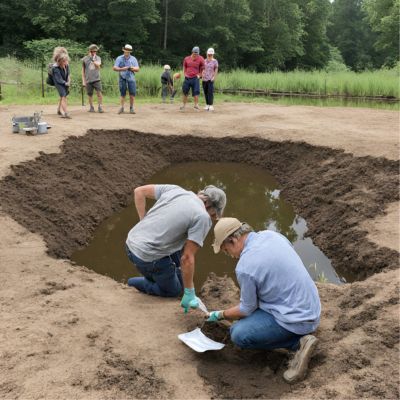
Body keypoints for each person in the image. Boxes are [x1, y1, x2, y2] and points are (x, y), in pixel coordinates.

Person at [208, 217, 321, 384]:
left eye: (226, 250)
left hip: (297, 319)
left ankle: (297, 344)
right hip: (312, 308)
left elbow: (246, 309)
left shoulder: (245, 266)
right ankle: (298, 335)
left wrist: (219, 315)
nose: (230, 255)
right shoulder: (272, 235)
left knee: (238, 333)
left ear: (233, 240)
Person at [125, 184, 226, 312]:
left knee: (182, 254)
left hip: (131, 243)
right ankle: (134, 283)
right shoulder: (202, 217)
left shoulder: (175, 190)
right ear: (209, 206)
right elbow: (187, 258)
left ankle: (166, 274)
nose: (212, 218)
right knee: (174, 290)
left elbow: (139, 191)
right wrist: (190, 292)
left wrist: (143, 221)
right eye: (214, 215)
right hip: (147, 255)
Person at [113, 44, 139, 114]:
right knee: (122, 93)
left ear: (130, 52)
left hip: (131, 77)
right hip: (122, 77)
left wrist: (132, 68)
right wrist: (122, 69)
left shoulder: (133, 59)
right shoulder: (119, 58)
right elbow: (114, 68)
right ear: (124, 50)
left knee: (132, 94)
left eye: (128, 51)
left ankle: (131, 108)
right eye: (125, 51)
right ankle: (121, 108)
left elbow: (137, 69)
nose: (126, 52)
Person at [180, 46, 205, 111]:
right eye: (195, 53)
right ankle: (183, 105)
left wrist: (200, 75)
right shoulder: (186, 58)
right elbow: (184, 66)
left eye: (197, 53)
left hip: (195, 78)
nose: (196, 54)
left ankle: (196, 106)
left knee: (196, 92)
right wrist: (184, 73)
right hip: (187, 78)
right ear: (192, 52)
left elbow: (203, 67)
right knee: (185, 92)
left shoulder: (201, 58)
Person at [82, 44, 104, 113]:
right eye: (92, 51)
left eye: (95, 51)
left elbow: (98, 65)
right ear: (89, 51)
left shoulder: (98, 58)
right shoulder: (85, 59)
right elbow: (83, 71)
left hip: (97, 79)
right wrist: (83, 81)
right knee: (89, 94)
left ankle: (100, 106)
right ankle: (91, 107)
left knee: (99, 93)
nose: (94, 53)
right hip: (88, 79)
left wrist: (93, 60)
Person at [52, 47, 71, 119]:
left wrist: (69, 81)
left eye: (66, 60)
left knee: (63, 96)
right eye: (64, 61)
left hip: (65, 82)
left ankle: (59, 110)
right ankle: (65, 113)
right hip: (59, 83)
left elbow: (68, 74)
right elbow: (58, 79)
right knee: (63, 96)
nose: (66, 62)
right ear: (60, 61)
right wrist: (65, 83)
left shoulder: (67, 65)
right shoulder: (55, 68)